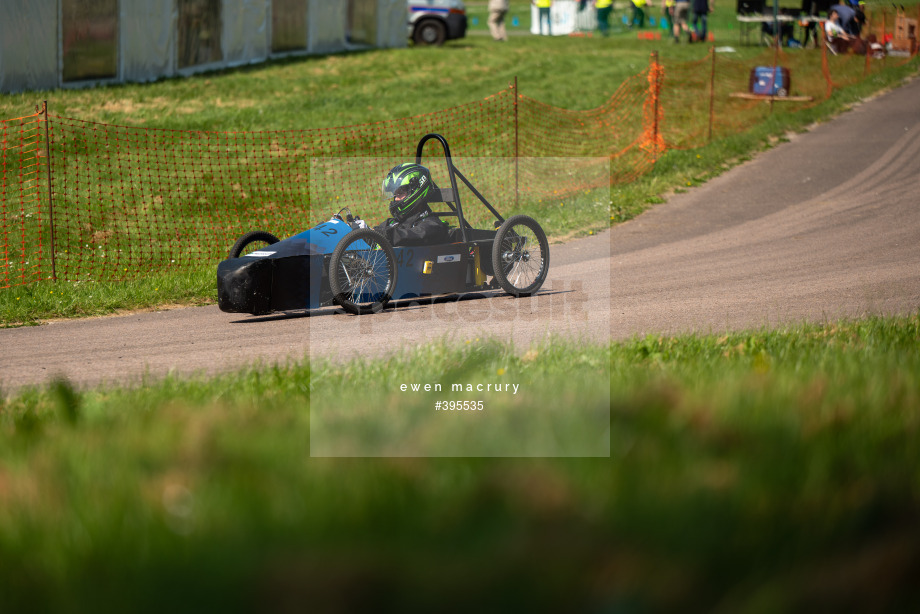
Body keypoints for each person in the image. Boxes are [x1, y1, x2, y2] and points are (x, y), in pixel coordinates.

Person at [375, 163, 450, 247]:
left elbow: (408, 236)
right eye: (395, 194)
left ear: (415, 191)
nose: (396, 199)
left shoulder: (432, 225)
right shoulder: (394, 223)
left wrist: (385, 235)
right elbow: (373, 233)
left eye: (400, 193)